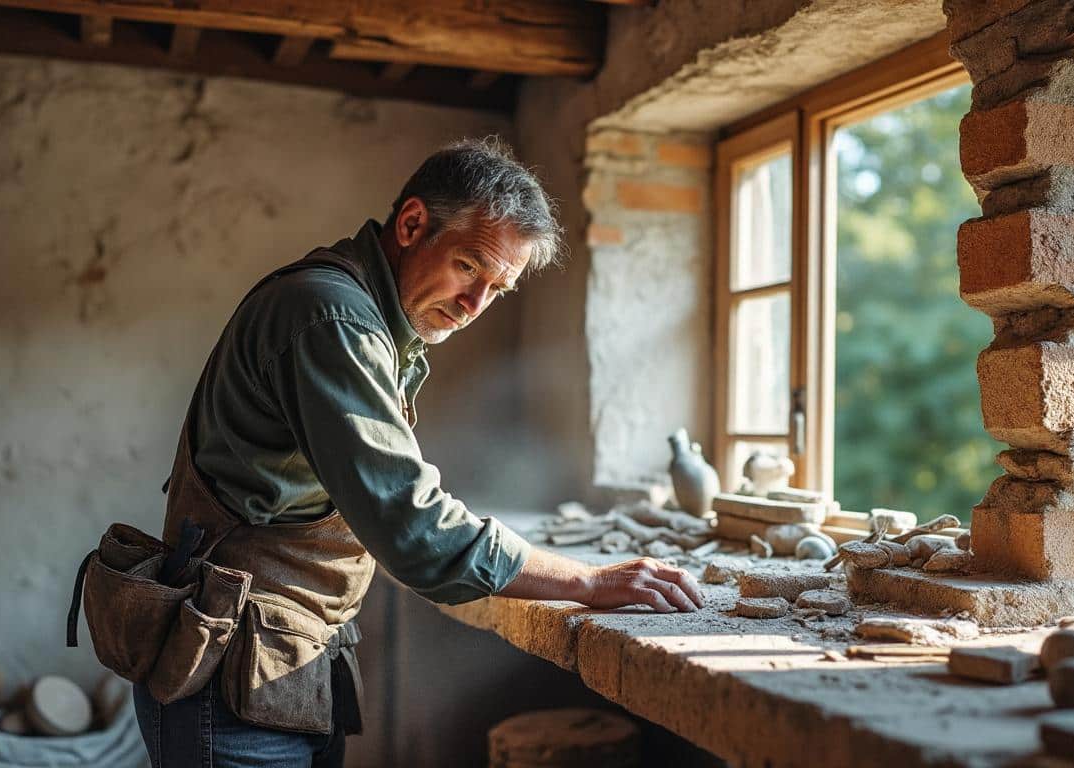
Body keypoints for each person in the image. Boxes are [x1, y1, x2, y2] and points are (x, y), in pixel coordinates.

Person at [132, 136, 704, 767]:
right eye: (469, 267)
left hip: (280, 657)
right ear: (411, 225)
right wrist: (588, 580)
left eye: (498, 288)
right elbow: (413, 526)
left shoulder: (373, 319)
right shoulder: (332, 316)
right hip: (228, 666)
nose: (474, 306)